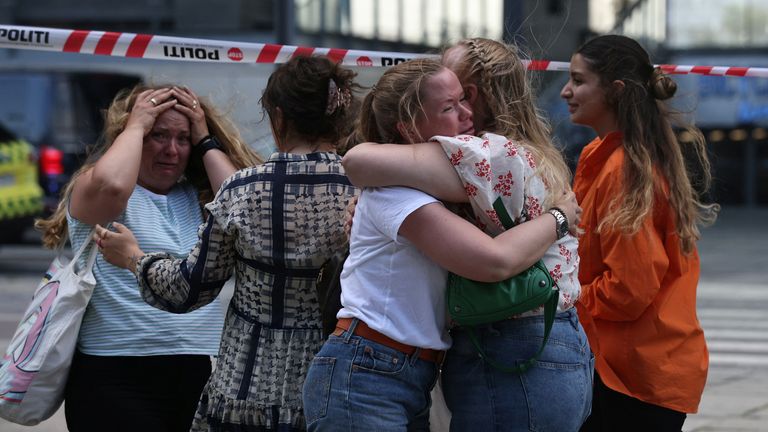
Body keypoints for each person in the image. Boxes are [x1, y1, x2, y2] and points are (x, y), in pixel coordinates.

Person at [302, 57, 582, 431]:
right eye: (449, 107)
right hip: (368, 369)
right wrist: (560, 217)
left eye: (465, 100)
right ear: (408, 127)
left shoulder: (425, 187)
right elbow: (494, 261)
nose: (467, 113)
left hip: (398, 370)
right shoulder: (397, 194)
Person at [96, 55, 360, 431]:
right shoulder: (366, 188)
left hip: (245, 390)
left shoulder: (244, 190)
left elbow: (187, 289)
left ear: (279, 118)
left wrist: (135, 258)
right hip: (336, 385)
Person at [34, 83, 260, 431]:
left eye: (182, 139)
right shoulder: (99, 191)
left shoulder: (197, 198)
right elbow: (112, 183)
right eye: (158, 135)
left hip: (194, 375)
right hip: (114, 379)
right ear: (132, 136)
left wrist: (204, 138)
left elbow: (249, 212)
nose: (171, 150)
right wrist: (136, 123)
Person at [559, 34, 720, 432]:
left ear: (614, 91)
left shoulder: (624, 167)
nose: (566, 91)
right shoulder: (610, 154)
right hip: (635, 366)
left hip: (632, 374)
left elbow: (628, 289)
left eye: (579, 81)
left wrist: (560, 298)